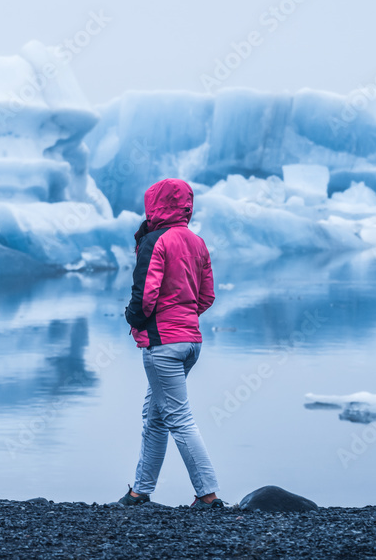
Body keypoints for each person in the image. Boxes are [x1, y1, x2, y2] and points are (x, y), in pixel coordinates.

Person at [117, 178, 223, 509]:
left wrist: (133, 319)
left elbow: (145, 295)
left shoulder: (155, 240)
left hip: (163, 344)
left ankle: (208, 495)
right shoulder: (197, 242)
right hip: (191, 341)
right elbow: (206, 296)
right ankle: (140, 492)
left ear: (156, 204)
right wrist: (184, 315)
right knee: (156, 415)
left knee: (177, 417)